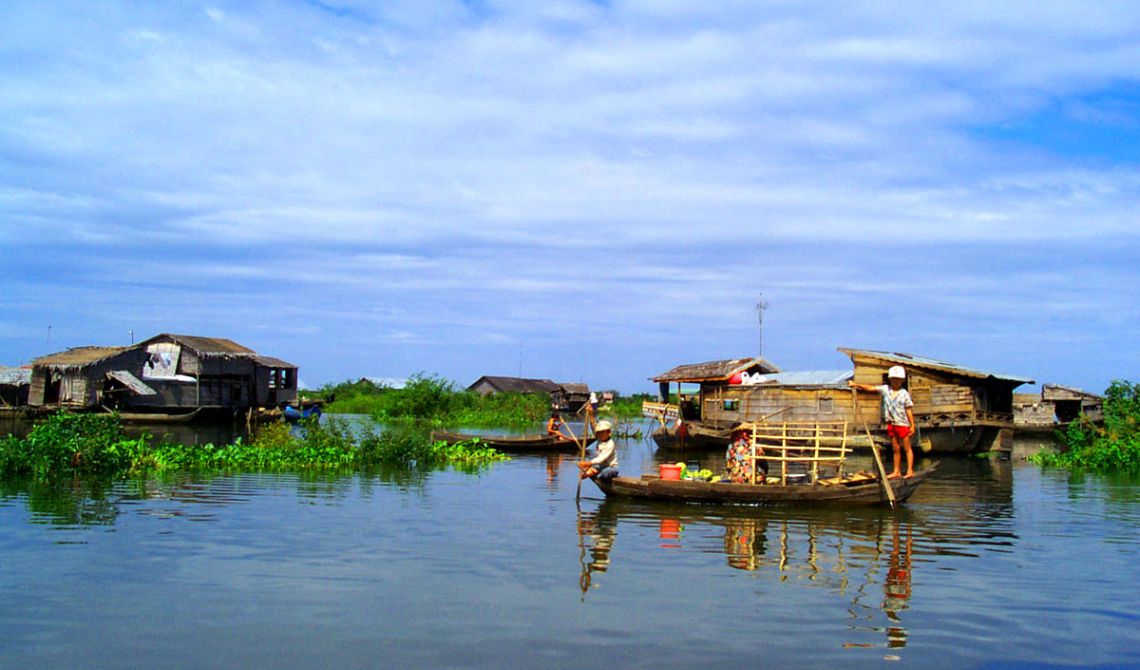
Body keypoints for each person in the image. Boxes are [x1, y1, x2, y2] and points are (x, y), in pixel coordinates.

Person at [849, 365, 915, 479]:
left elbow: (908, 410)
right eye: (894, 379)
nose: (896, 382)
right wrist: (856, 385)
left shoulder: (904, 393)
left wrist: (912, 425)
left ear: (902, 381)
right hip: (891, 423)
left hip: (902, 424)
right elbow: (871, 388)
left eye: (898, 380)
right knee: (895, 448)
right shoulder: (886, 389)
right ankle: (896, 471)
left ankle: (910, 470)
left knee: (906, 448)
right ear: (890, 379)